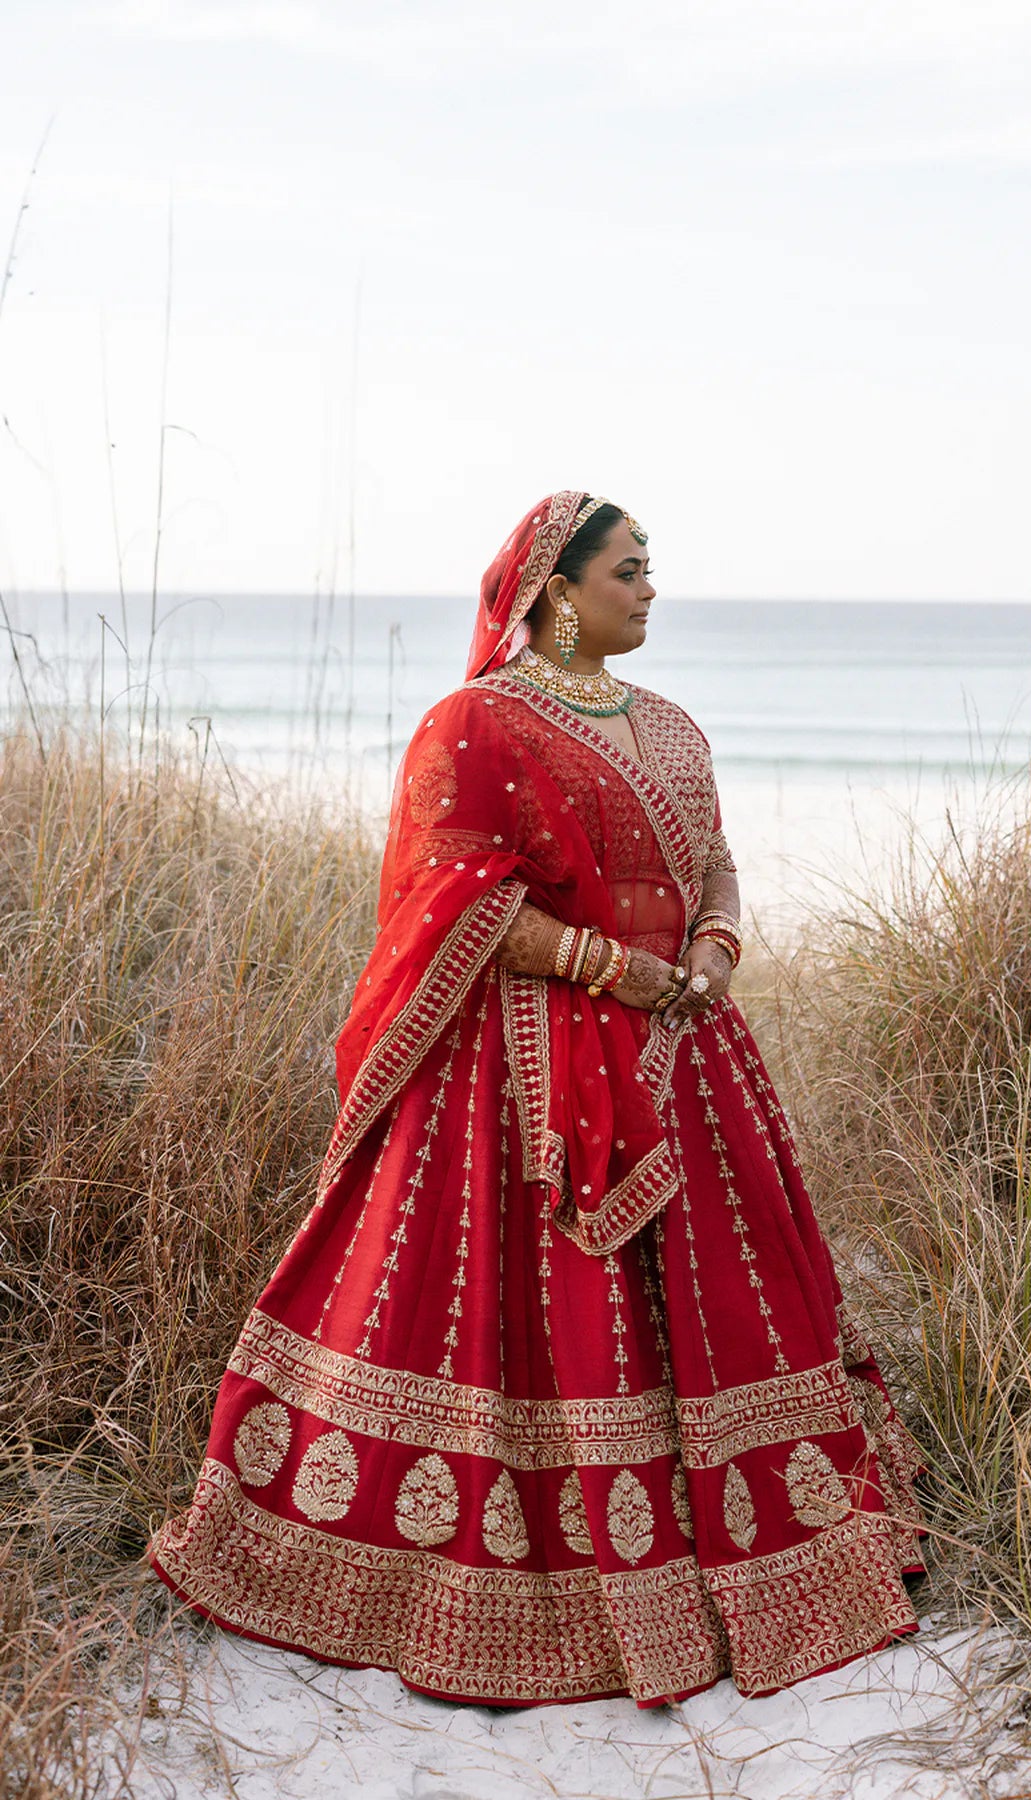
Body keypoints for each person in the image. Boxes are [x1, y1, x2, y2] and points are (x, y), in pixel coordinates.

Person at [150, 490, 925, 1707]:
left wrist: (713, 953)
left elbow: (712, 854)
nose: (650, 589)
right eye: (629, 570)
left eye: (649, 568)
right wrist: (618, 971)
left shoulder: (671, 727)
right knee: (518, 1301)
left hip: (683, 1049)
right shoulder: (475, 726)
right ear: (557, 590)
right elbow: (449, 902)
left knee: (722, 1290)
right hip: (521, 1069)